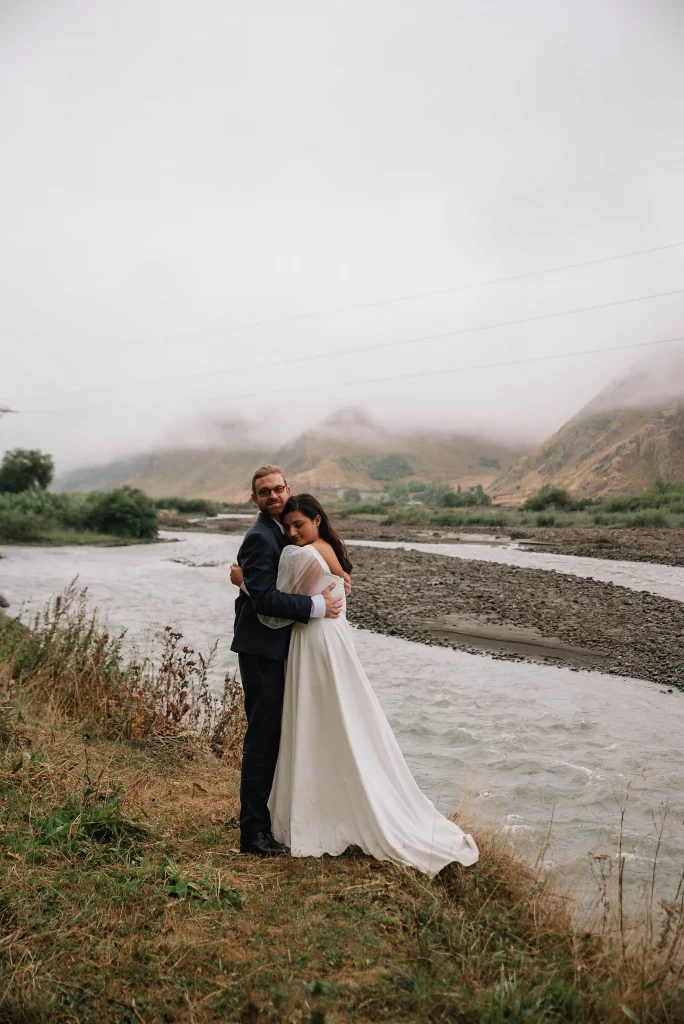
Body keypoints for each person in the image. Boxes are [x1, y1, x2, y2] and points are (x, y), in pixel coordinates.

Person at [231, 492, 479, 877]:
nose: (293, 531)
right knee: (333, 715)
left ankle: (310, 809)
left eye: (300, 524)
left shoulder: (304, 552)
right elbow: (314, 589)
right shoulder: (324, 546)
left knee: (316, 717)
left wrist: (244, 582)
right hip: (327, 637)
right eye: (290, 526)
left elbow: (274, 607)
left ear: (317, 520)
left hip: (315, 639)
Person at [230, 465, 347, 857]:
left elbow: (271, 582)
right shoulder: (260, 538)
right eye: (265, 492)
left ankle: (276, 818)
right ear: (255, 499)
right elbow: (265, 600)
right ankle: (253, 833)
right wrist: (318, 604)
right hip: (262, 649)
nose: (274, 496)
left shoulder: (286, 531)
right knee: (262, 739)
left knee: (280, 735)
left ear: (288, 489)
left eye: (278, 489)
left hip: (284, 647)